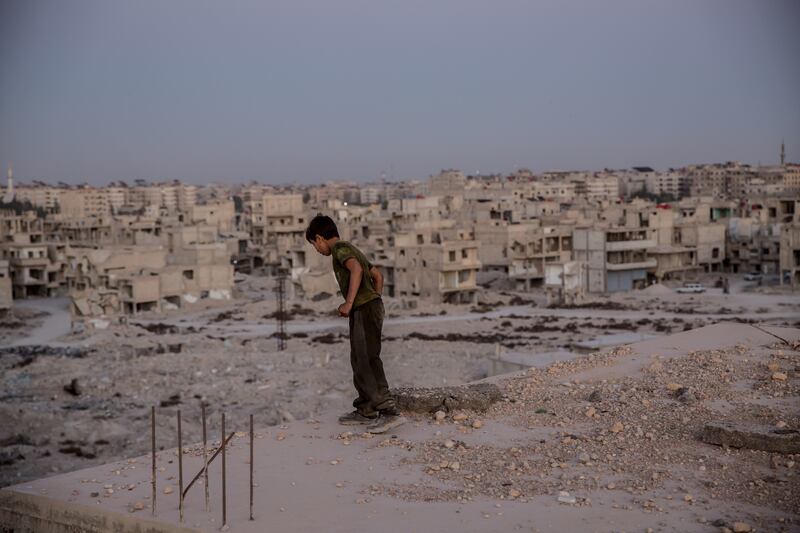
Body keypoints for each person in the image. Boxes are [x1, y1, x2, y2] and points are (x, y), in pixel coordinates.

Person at [305, 214, 406, 434]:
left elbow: (357, 270)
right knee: (362, 357)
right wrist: (376, 299)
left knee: (366, 360)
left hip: (363, 309)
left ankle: (387, 411)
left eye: (315, 245)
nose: (318, 250)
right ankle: (366, 408)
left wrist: (350, 303)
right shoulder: (353, 249)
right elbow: (377, 275)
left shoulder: (340, 250)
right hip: (370, 307)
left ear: (320, 238)